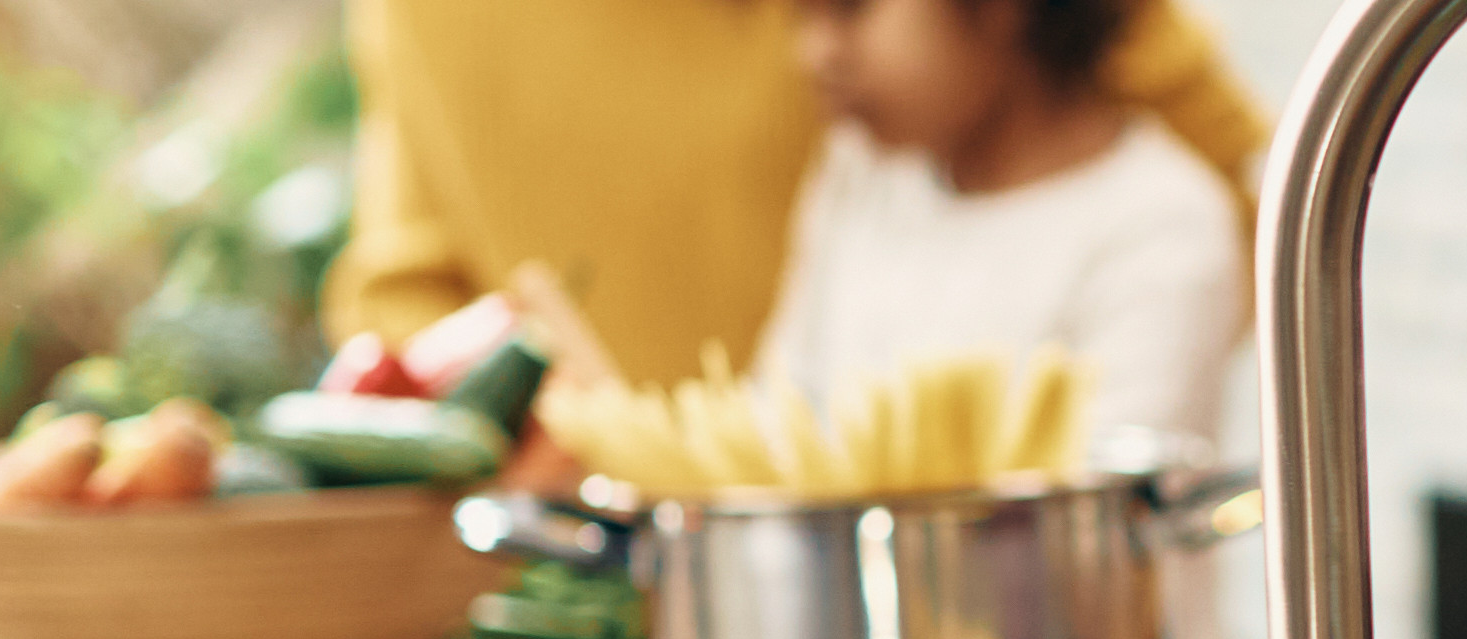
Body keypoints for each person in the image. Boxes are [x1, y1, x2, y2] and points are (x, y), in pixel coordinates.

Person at [325, 0, 1266, 387]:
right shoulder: (860, 184)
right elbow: (407, 286)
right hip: (622, 601)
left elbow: (1248, 186)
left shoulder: (1146, 212)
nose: (815, 51)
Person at [753, 0, 1243, 439]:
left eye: (850, 10)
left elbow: (1111, 505)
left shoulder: (1161, 225)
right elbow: (781, 409)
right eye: (804, 17)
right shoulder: (859, 174)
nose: (816, 54)